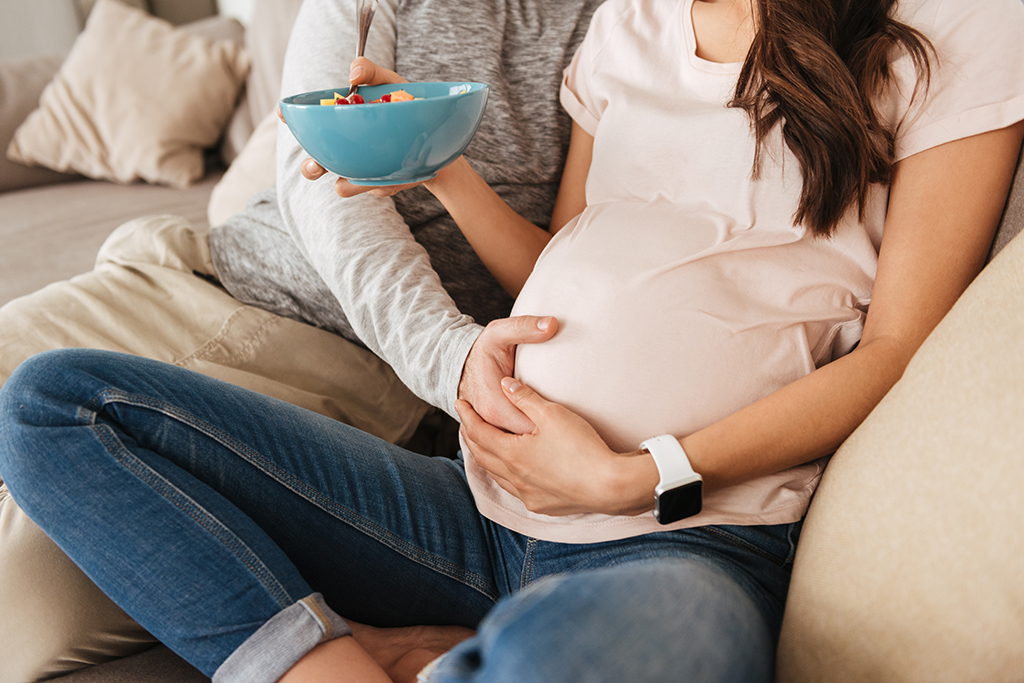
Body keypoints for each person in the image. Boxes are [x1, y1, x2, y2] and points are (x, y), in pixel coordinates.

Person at [2, 0, 1023, 682]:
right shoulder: (631, 19)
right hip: (479, 499)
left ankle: (479, 652)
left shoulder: (953, 25)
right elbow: (557, 259)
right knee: (54, 403)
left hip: (685, 535)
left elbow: (896, 349)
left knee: (632, 644)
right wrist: (439, 168)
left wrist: (636, 476)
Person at [0, 0, 603, 678]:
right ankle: (372, 643)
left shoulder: (614, 29)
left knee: (23, 594)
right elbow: (322, 198)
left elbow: (569, 267)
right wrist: (448, 355)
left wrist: (452, 357)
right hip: (211, 276)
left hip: (333, 346)